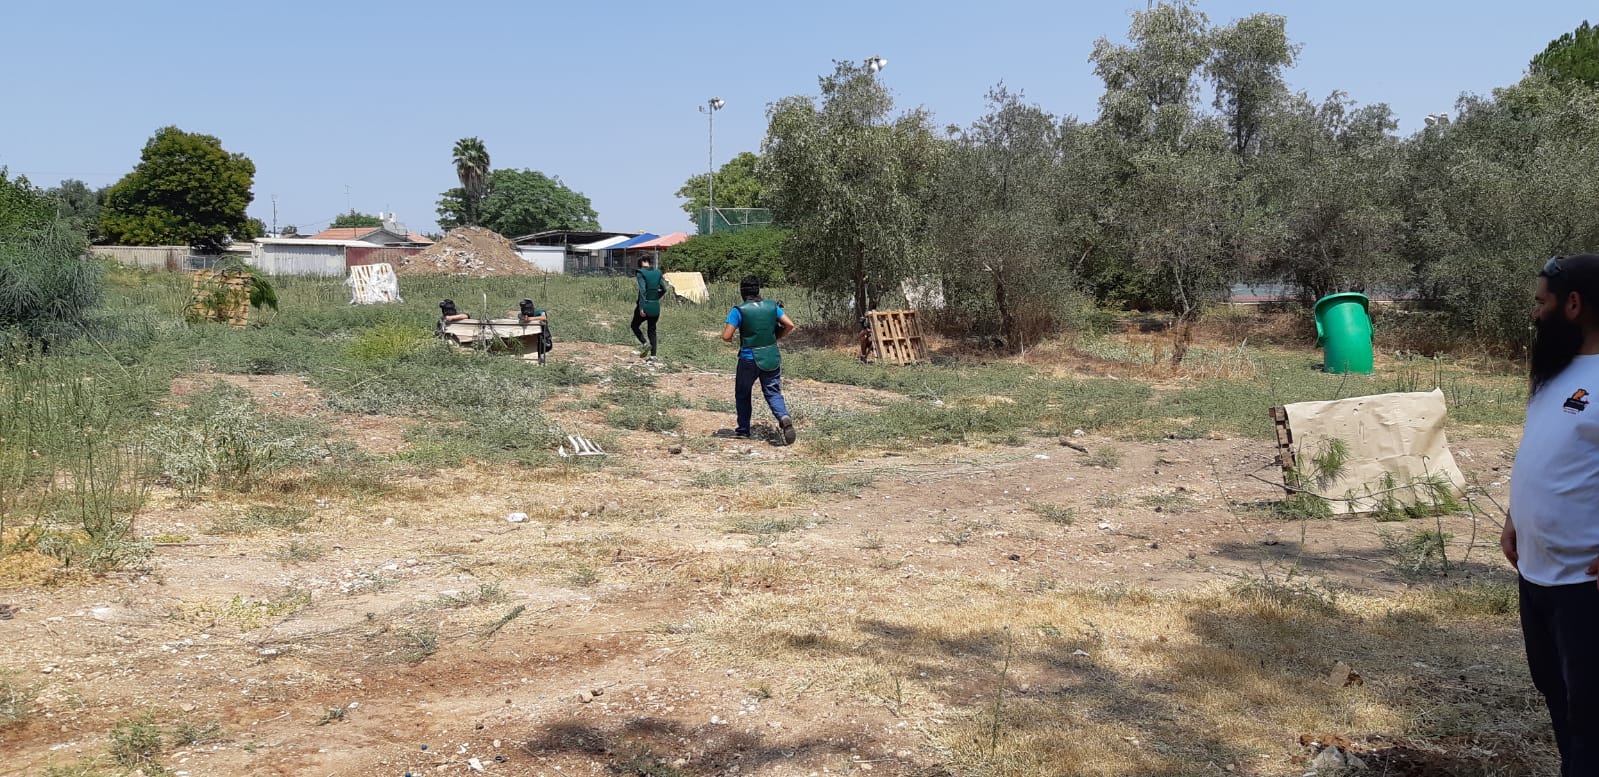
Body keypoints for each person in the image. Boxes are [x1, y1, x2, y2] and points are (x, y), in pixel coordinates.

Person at [1502, 253, 1599, 776]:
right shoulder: (1554, 370)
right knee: (1559, 698)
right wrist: (1515, 516)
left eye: (1542, 302)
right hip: (1538, 574)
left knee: (1591, 714)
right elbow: (1543, 449)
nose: (1534, 312)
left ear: (1573, 304)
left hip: (1586, 585)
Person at [720, 277, 797, 444]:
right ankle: (784, 417)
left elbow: (726, 336)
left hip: (749, 358)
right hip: (771, 356)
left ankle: (743, 430)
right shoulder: (772, 306)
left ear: (742, 291)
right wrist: (776, 337)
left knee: (743, 393)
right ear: (758, 290)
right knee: (773, 392)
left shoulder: (739, 310)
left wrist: (733, 338)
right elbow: (790, 325)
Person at [632, 257, 667, 359]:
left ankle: (645, 343)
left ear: (640, 264)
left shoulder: (640, 273)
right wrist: (656, 298)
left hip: (645, 306)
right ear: (649, 263)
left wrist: (641, 307)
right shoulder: (657, 272)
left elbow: (643, 290)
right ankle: (653, 356)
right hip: (655, 306)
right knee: (652, 330)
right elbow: (664, 289)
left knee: (634, 325)